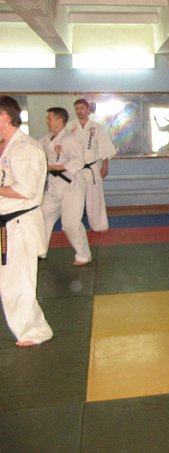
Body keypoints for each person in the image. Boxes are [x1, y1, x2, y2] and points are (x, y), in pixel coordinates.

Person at [0, 95, 53, 347]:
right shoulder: (6, 147)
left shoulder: (26, 149)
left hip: (19, 225)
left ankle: (35, 330)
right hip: (7, 224)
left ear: (4, 117)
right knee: (9, 280)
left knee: (17, 281)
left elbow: (26, 190)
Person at [40, 107, 92, 266]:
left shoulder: (70, 139)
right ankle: (40, 250)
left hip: (72, 185)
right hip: (53, 186)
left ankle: (83, 254)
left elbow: (79, 161)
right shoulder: (45, 139)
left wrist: (55, 167)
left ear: (59, 120)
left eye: (49, 118)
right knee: (41, 216)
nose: (46, 121)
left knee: (70, 224)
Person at [67, 98, 117, 232]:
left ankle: (99, 226)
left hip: (92, 168)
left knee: (95, 199)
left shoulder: (97, 127)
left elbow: (104, 147)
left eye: (82, 108)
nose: (79, 111)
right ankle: (71, 226)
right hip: (74, 169)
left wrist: (105, 166)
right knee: (73, 199)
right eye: (77, 108)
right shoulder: (70, 127)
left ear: (88, 110)